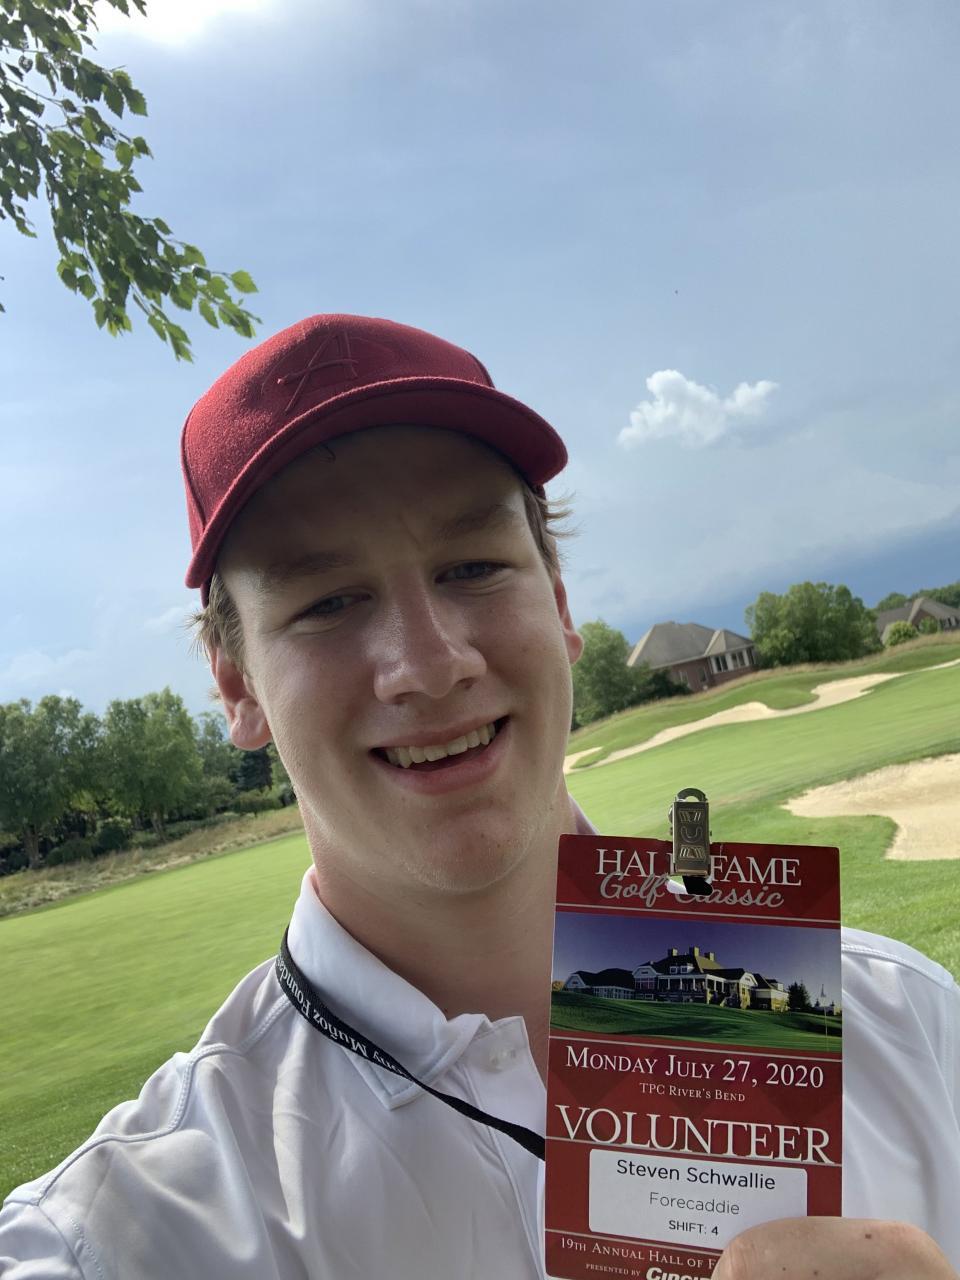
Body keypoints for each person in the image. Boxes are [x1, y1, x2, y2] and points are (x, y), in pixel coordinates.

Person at [1, 314, 958, 1280]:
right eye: (326, 603)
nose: (428, 664)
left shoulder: (912, 1026)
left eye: (472, 568)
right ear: (237, 686)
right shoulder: (119, 1237)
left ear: (560, 603)